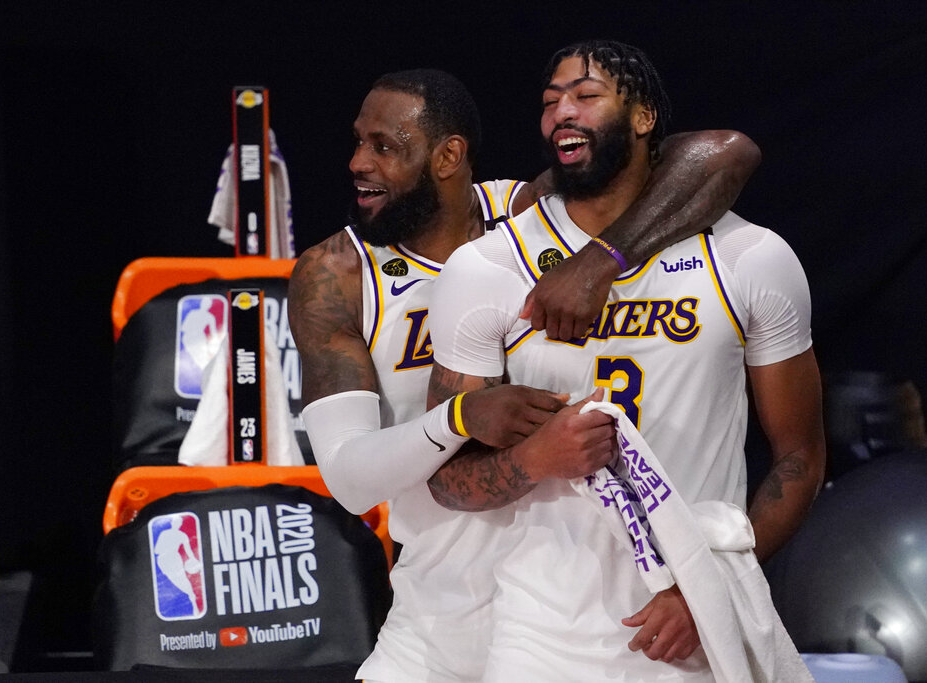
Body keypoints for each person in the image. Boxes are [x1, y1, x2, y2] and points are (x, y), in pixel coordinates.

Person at [289, 68, 760, 682]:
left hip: (570, 593)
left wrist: (601, 258)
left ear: (448, 155)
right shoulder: (336, 273)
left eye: (384, 146)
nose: (358, 162)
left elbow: (727, 152)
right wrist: (458, 417)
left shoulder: (524, 215)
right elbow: (349, 481)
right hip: (441, 597)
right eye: (358, 142)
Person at [425, 40, 825, 681]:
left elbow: (800, 458)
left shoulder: (751, 257)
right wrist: (535, 457)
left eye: (585, 96)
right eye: (550, 101)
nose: (561, 112)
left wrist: (708, 584)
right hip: (539, 631)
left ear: (643, 118)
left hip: (691, 623)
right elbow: (445, 478)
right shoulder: (485, 268)